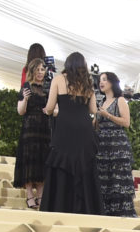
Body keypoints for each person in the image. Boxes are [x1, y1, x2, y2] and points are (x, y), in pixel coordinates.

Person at [39, 52, 100, 215]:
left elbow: (50, 107)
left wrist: (51, 111)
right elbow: (93, 110)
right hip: (84, 128)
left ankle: (60, 205)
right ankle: (85, 209)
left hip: (65, 128)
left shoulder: (58, 79)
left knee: (62, 164)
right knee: (84, 165)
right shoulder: (88, 82)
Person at [93, 71, 135, 217]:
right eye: (100, 80)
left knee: (118, 179)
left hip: (117, 144)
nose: (101, 83)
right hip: (102, 145)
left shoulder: (120, 100)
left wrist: (108, 115)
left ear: (112, 82)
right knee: (105, 178)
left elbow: (126, 122)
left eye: (104, 80)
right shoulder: (101, 102)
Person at [13, 58, 50, 209]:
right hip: (29, 129)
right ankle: (29, 195)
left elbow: (54, 108)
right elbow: (20, 111)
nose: (41, 72)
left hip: (45, 129)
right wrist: (26, 99)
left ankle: (41, 195)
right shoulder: (26, 86)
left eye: (43, 69)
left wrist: (50, 110)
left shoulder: (48, 87)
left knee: (42, 160)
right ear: (32, 70)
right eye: (38, 69)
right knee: (29, 160)